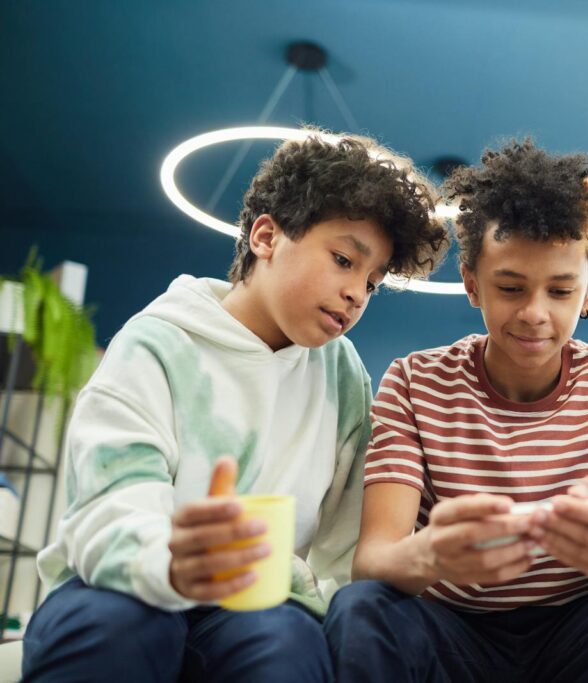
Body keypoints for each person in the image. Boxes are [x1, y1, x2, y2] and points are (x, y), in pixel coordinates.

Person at [22, 131, 449, 682]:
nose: (357, 294)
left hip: (259, 597)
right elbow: (109, 505)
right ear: (266, 236)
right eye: (344, 259)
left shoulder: (344, 376)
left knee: (285, 648)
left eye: (372, 281)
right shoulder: (157, 342)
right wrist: (172, 561)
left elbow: (345, 546)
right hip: (126, 578)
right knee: (116, 628)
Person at [324, 139, 588, 682]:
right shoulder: (413, 380)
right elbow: (373, 561)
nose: (534, 314)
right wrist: (432, 554)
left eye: (560, 291)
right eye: (510, 287)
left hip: (582, 630)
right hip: (452, 628)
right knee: (360, 610)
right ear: (473, 284)